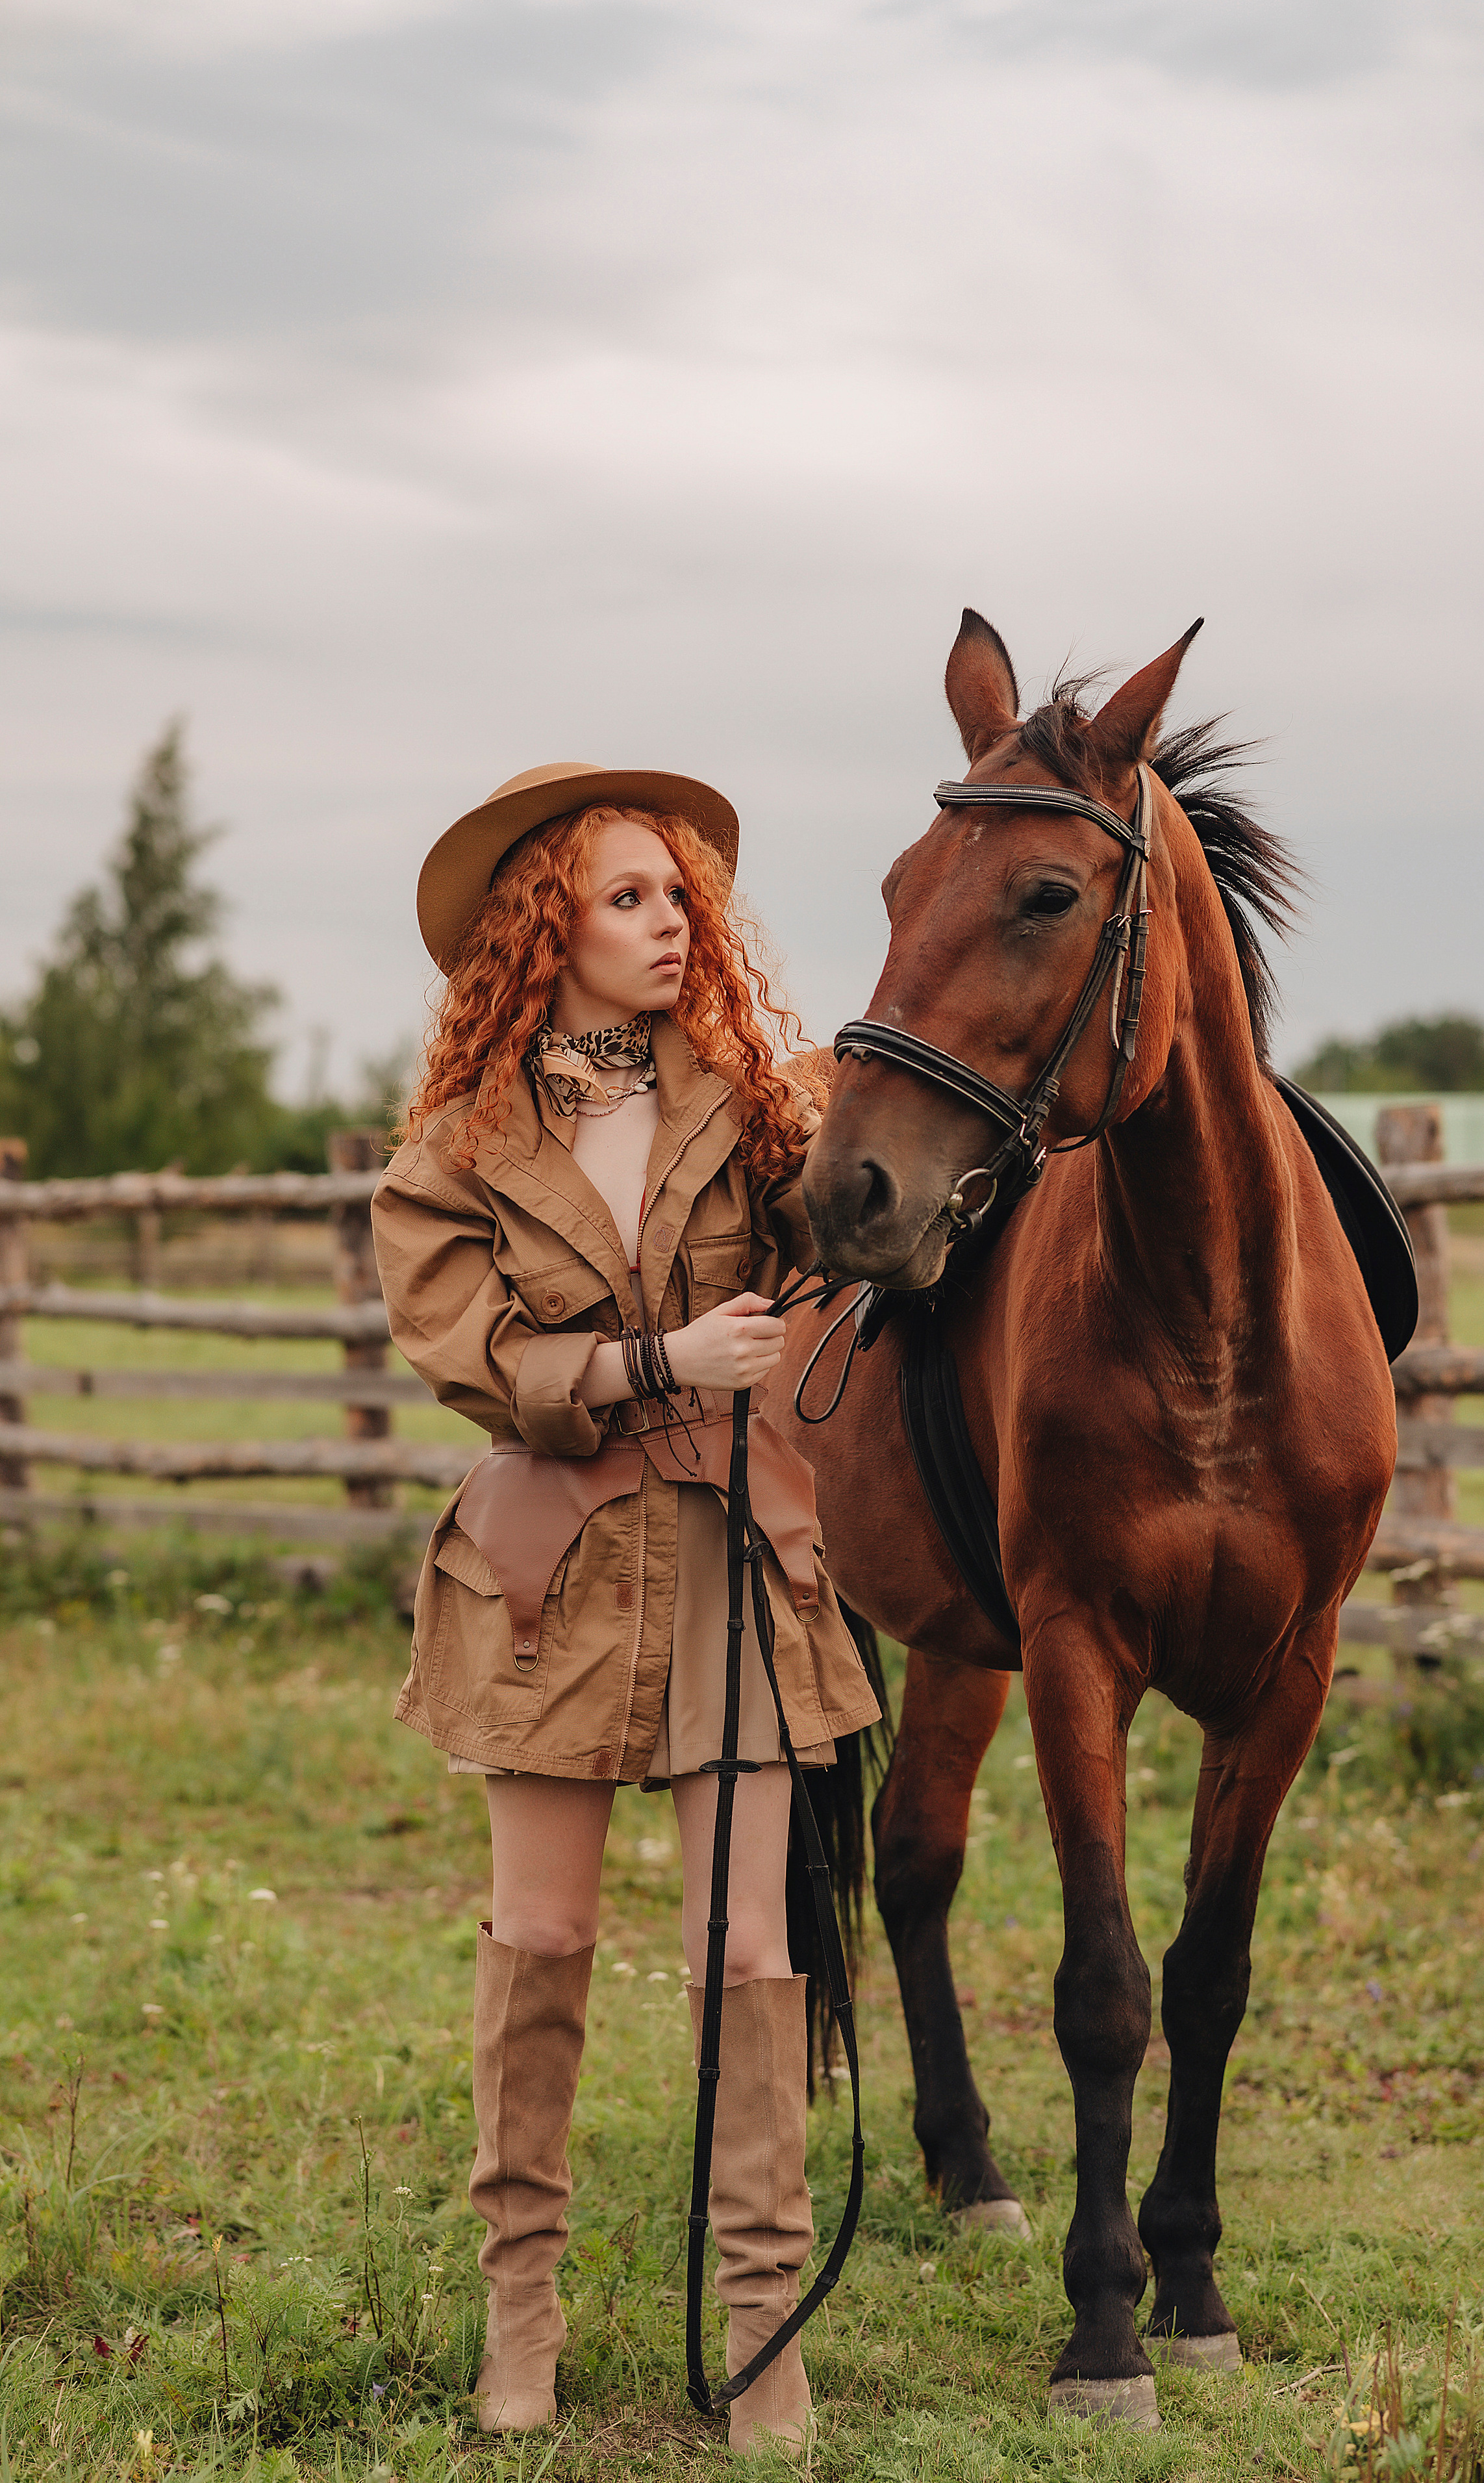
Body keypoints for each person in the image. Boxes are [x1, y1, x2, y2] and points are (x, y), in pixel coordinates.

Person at [371, 761, 881, 2453]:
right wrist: (662, 1360)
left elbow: (860, 1239)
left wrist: (898, 1119)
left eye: (679, 897)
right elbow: (477, 1362)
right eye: (628, 897)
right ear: (550, 930)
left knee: (750, 1949)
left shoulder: (750, 1109)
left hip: (735, 1554)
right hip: (550, 1575)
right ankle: (520, 2315)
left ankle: (762, 2328)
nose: (671, 923)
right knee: (543, 1939)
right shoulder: (457, 1154)